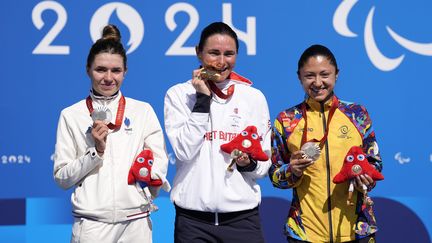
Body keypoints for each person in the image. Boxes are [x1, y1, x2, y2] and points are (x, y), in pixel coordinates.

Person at [53, 24, 170, 243]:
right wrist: (95, 152)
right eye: (100, 69)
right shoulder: (71, 115)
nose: (108, 78)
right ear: (88, 69)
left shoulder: (142, 111)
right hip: (92, 224)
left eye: (116, 70)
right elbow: (62, 177)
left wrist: (148, 181)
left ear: (125, 72)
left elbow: (159, 163)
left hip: (136, 223)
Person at [164, 22, 271, 243]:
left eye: (229, 54)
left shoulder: (253, 97)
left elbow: (263, 165)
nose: (222, 62)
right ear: (198, 53)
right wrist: (202, 100)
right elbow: (184, 152)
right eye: (214, 53)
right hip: (193, 222)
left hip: (242, 221)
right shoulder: (179, 94)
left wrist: (248, 164)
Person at [269, 44, 383, 242]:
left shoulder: (357, 114)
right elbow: (274, 175)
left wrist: (365, 178)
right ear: (299, 77)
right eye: (309, 76)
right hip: (305, 234)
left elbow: (375, 163)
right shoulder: (287, 120)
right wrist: (292, 171)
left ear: (336, 74)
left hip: (357, 231)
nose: (318, 82)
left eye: (325, 74)